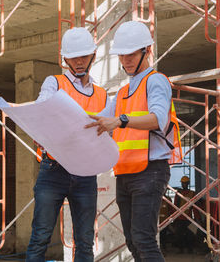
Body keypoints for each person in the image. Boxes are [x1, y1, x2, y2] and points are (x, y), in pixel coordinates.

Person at [85, 21, 182, 261]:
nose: (126, 60)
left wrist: (120, 121)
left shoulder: (156, 81)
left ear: (146, 51)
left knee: (143, 239)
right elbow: (102, 121)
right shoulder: (122, 93)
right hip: (125, 172)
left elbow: (158, 119)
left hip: (150, 172)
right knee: (133, 240)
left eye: (131, 55)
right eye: (122, 56)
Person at [26, 27, 108, 262]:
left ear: (92, 56)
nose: (79, 61)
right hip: (54, 169)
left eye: (84, 56)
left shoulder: (102, 94)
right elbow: (42, 110)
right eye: (74, 57)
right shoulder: (54, 83)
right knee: (40, 236)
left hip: (85, 172)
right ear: (65, 59)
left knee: (85, 240)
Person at [174, 176, 200, 253]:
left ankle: (190, 248)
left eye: (185, 183)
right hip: (180, 218)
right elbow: (175, 206)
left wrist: (197, 218)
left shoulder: (192, 193)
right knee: (179, 235)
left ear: (188, 183)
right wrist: (174, 218)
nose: (184, 184)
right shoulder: (178, 194)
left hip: (189, 218)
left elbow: (195, 208)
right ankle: (180, 249)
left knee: (191, 234)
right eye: (183, 183)